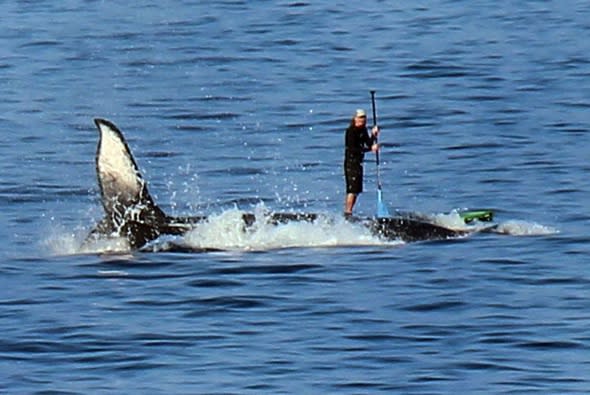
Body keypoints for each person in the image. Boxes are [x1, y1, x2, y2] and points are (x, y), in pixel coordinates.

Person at [344, 109, 379, 217]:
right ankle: (347, 212)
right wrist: (370, 149)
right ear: (355, 119)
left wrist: (373, 135)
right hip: (351, 162)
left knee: (357, 190)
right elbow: (353, 149)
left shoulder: (363, 130)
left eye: (364, 118)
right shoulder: (351, 131)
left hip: (359, 162)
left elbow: (368, 143)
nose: (362, 120)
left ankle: (350, 211)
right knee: (352, 189)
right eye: (360, 118)